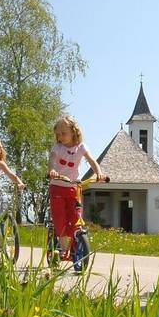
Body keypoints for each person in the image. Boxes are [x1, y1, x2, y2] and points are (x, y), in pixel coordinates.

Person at [46, 114, 108, 272]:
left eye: (63, 133)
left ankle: (75, 245)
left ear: (74, 131)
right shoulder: (58, 148)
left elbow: (92, 161)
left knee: (75, 217)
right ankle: (61, 248)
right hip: (58, 187)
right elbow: (52, 159)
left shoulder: (81, 147)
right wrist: (52, 170)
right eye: (58, 134)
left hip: (74, 188)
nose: (60, 137)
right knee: (60, 218)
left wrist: (99, 173)